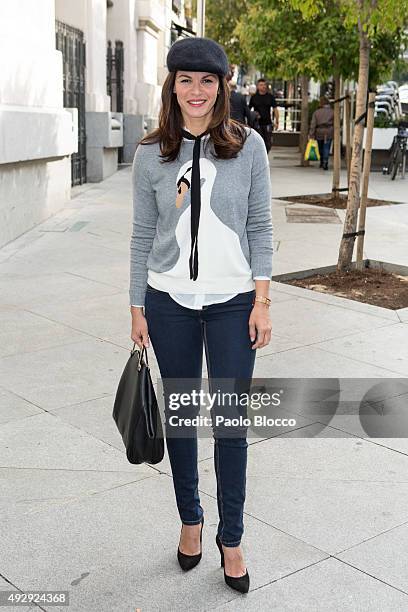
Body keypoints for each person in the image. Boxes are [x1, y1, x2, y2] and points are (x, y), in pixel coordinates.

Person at [129, 36, 273, 595]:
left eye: (207, 80)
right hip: (169, 305)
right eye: (185, 80)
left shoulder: (249, 146)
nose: (196, 91)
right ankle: (192, 522)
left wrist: (262, 300)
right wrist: (137, 305)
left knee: (231, 426)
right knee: (185, 420)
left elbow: (260, 227)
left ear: (222, 86)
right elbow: (143, 234)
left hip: (235, 301)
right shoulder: (150, 154)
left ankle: (230, 538)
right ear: (172, 86)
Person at [249, 78, 279, 152]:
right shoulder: (254, 97)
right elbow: (248, 110)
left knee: (268, 144)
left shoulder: (270, 97)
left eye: (264, 85)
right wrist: (253, 116)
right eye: (261, 85)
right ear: (258, 86)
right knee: (259, 143)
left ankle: (265, 157)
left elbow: (275, 109)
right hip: (257, 124)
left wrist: (277, 121)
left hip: (268, 123)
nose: (263, 86)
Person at [309, 96, 334, 170]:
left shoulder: (316, 112)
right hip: (329, 131)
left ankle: (321, 161)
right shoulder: (332, 111)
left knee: (320, 148)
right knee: (326, 147)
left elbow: (313, 124)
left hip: (319, 132)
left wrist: (311, 134)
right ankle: (325, 162)